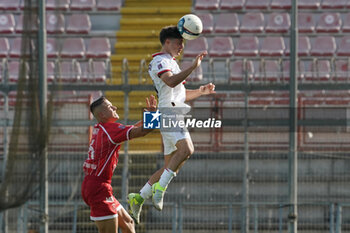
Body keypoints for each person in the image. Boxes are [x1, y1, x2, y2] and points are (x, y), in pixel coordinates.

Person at [128, 26, 216, 224]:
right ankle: (160, 190)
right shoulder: (159, 61)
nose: (181, 46)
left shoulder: (172, 63)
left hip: (174, 111)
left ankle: (139, 196)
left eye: (183, 43)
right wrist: (193, 67)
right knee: (187, 149)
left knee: (173, 165)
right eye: (179, 42)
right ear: (167, 41)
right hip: (168, 113)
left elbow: (180, 93)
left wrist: (201, 91)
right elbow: (169, 82)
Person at [81, 95, 157, 233]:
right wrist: (154, 115)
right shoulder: (111, 130)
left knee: (128, 223)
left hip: (96, 185)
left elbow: (133, 128)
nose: (115, 107)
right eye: (110, 106)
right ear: (102, 114)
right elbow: (144, 131)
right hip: (98, 188)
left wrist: (151, 115)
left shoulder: (103, 128)